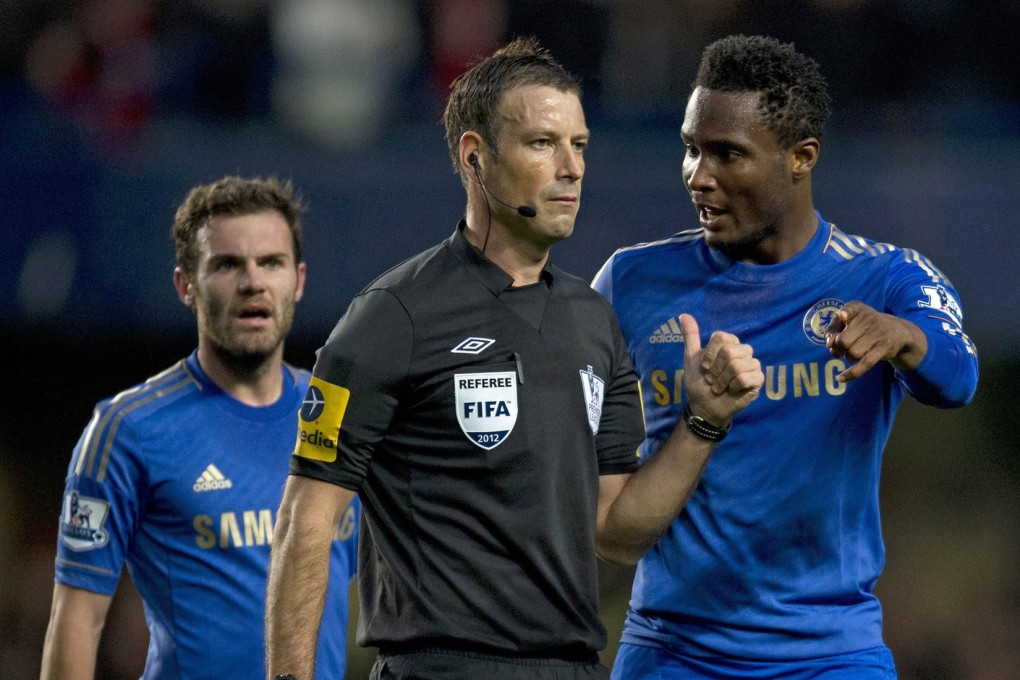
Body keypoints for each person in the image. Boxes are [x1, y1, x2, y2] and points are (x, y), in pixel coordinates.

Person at [266, 37, 763, 680]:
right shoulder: (392, 317)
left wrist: (702, 423)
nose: (572, 168)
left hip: (573, 668)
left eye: (579, 145)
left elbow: (615, 531)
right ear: (475, 156)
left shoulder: (594, 322)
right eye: (542, 143)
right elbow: (306, 520)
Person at [592, 34, 980, 679]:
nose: (699, 176)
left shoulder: (886, 278)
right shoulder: (630, 283)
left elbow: (958, 377)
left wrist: (902, 336)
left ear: (801, 158)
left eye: (727, 154)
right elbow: (605, 515)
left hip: (829, 654)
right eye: (691, 148)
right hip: (671, 651)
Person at [39, 176, 359, 680]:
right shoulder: (128, 430)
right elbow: (77, 618)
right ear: (185, 285)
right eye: (228, 265)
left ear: (298, 281)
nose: (253, 282)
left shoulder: (337, 417)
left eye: (271, 263)